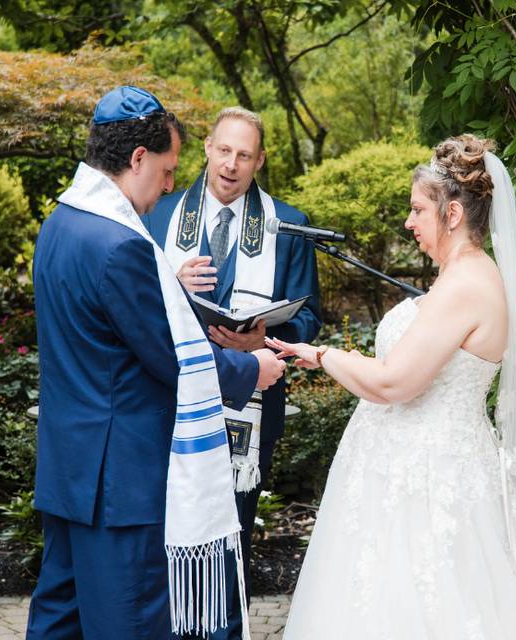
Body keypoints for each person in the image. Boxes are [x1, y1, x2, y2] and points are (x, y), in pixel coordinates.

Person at [267, 135, 516, 639]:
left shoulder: (468, 282)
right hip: (406, 473)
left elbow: (391, 382)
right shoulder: (457, 277)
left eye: (416, 210)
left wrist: (321, 355)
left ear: (452, 213)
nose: (408, 222)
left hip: (431, 483)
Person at [26, 86, 286, 640]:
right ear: (138, 158)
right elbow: (170, 356)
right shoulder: (121, 245)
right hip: (121, 481)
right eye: (167, 169)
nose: (171, 184)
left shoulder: (60, 224)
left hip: (69, 468)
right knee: (130, 623)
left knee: (59, 622)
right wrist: (251, 370)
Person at [142, 106, 321, 639]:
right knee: (164, 525)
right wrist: (171, 280)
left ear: (259, 161)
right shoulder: (158, 215)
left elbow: (309, 317)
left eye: (244, 155)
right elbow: (129, 299)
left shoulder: (288, 226)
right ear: (207, 149)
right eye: (224, 150)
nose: (231, 164)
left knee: (232, 530)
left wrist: (261, 337)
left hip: (248, 402)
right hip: (166, 401)